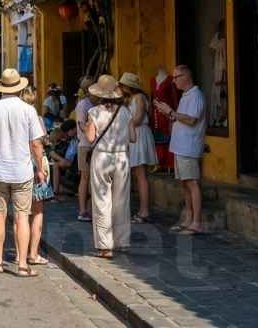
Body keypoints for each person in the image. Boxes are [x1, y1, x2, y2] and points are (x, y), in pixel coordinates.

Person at [0, 69, 46, 276]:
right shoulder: (28, 110)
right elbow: (35, 143)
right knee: (22, 218)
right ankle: (23, 265)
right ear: (19, 87)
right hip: (22, 172)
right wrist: (40, 168)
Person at [85, 75, 132, 259]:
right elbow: (133, 137)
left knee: (101, 200)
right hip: (121, 157)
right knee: (121, 200)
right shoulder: (125, 111)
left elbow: (90, 138)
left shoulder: (94, 112)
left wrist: (85, 127)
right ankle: (122, 241)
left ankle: (106, 246)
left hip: (102, 157)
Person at [155, 65, 206, 235]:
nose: (174, 81)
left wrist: (172, 112)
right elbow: (181, 118)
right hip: (180, 146)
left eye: (176, 77)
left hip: (189, 147)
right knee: (185, 183)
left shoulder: (196, 95)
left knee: (192, 183)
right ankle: (188, 218)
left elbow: (191, 120)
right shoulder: (186, 96)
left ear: (186, 77)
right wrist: (167, 112)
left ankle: (197, 222)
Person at [20, 81, 54, 267]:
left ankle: (19, 254)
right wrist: (40, 169)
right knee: (38, 211)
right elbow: (40, 143)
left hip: (19, 167)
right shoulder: (36, 118)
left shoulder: (14, 117)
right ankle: (33, 253)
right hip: (36, 165)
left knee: (21, 212)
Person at [122, 72, 157, 222]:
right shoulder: (132, 98)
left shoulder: (139, 98)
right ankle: (142, 209)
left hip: (139, 135)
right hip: (134, 134)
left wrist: (123, 125)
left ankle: (144, 211)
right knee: (138, 175)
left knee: (141, 175)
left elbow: (138, 118)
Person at [74, 77, 95, 222]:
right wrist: (91, 134)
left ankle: (90, 207)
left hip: (93, 144)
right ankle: (82, 210)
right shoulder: (83, 104)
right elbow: (81, 124)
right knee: (85, 177)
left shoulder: (94, 103)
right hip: (86, 144)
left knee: (93, 178)